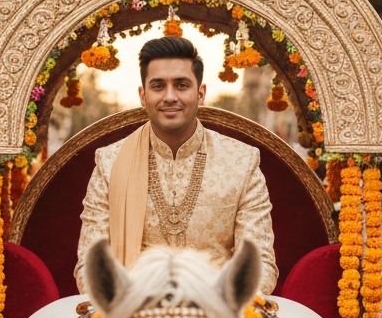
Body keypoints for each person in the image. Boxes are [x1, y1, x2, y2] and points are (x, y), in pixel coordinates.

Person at [75, 36, 277, 293]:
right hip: (133, 313)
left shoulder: (242, 160)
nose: (170, 96)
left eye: (181, 85)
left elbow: (259, 264)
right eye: (158, 86)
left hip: (219, 314)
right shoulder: (109, 161)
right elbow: (91, 264)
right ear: (143, 95)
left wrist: (218, 306)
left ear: (200, 93)